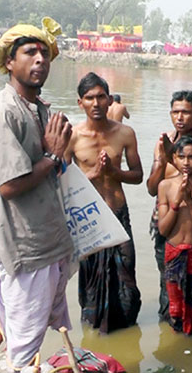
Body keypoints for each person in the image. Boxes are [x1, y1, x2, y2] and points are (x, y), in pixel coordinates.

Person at [0, 18, 73, 369]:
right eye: (29, 52)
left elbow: (57, 168)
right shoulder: (1, 113)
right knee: (23, 345)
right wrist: (51, 156)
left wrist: (61, 155)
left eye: (44, 53)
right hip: (26, 248)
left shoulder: (40, 109)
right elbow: (10, 186)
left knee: (39, 329)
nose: (40, 60)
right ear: (9, 62)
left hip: (48, 242)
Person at [64, 72, 143, 333]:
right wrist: (93, 175)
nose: (96, 103)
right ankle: (94, 335)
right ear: (80, 103)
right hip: (90, 220)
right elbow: (62, 184)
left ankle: (126, 329)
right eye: (89, 98)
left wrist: (114, 173)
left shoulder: (125, 133)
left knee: (126, 278)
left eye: (101, 97)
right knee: (91, 281)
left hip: (118, 214)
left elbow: (138, 176)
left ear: (110, 100)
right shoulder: (73, 137)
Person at [146, 90, 192, 322]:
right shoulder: (166, 142)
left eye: (186, 112)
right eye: (176, 112)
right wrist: (165, 157)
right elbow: (151, 187)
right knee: (168, 283)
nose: (180, 117)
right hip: (168, 220)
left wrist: (177, 159)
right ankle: (169, 332)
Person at [156, 136, 192, 335]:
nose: (186, 162)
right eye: (181, 157)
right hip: (173, 250)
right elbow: (163, 229)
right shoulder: (165, 186)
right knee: (175, 307)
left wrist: (189, 200)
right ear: (174, 158)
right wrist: (176, 203)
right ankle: (177, 349)